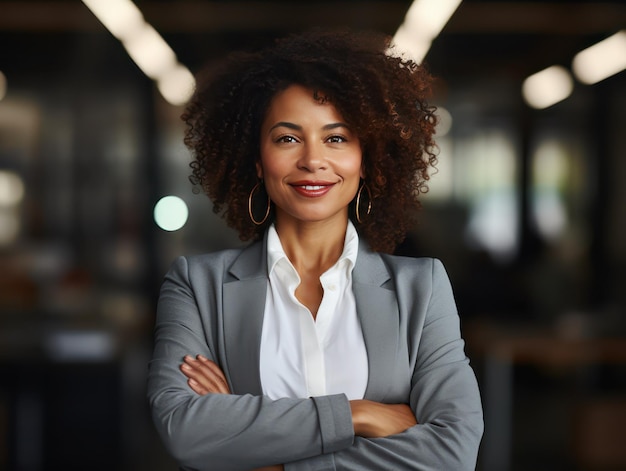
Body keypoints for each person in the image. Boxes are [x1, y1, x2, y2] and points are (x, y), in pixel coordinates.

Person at [147, 29, 483, 471]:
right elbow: (185, 429)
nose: (312, 160)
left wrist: (264, 460)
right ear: (256, 158)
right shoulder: (198, 285)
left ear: (367, 160)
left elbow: (453, 452)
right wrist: (358, 414)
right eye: (287, 138)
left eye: (337, 138)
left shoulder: (421, 288)